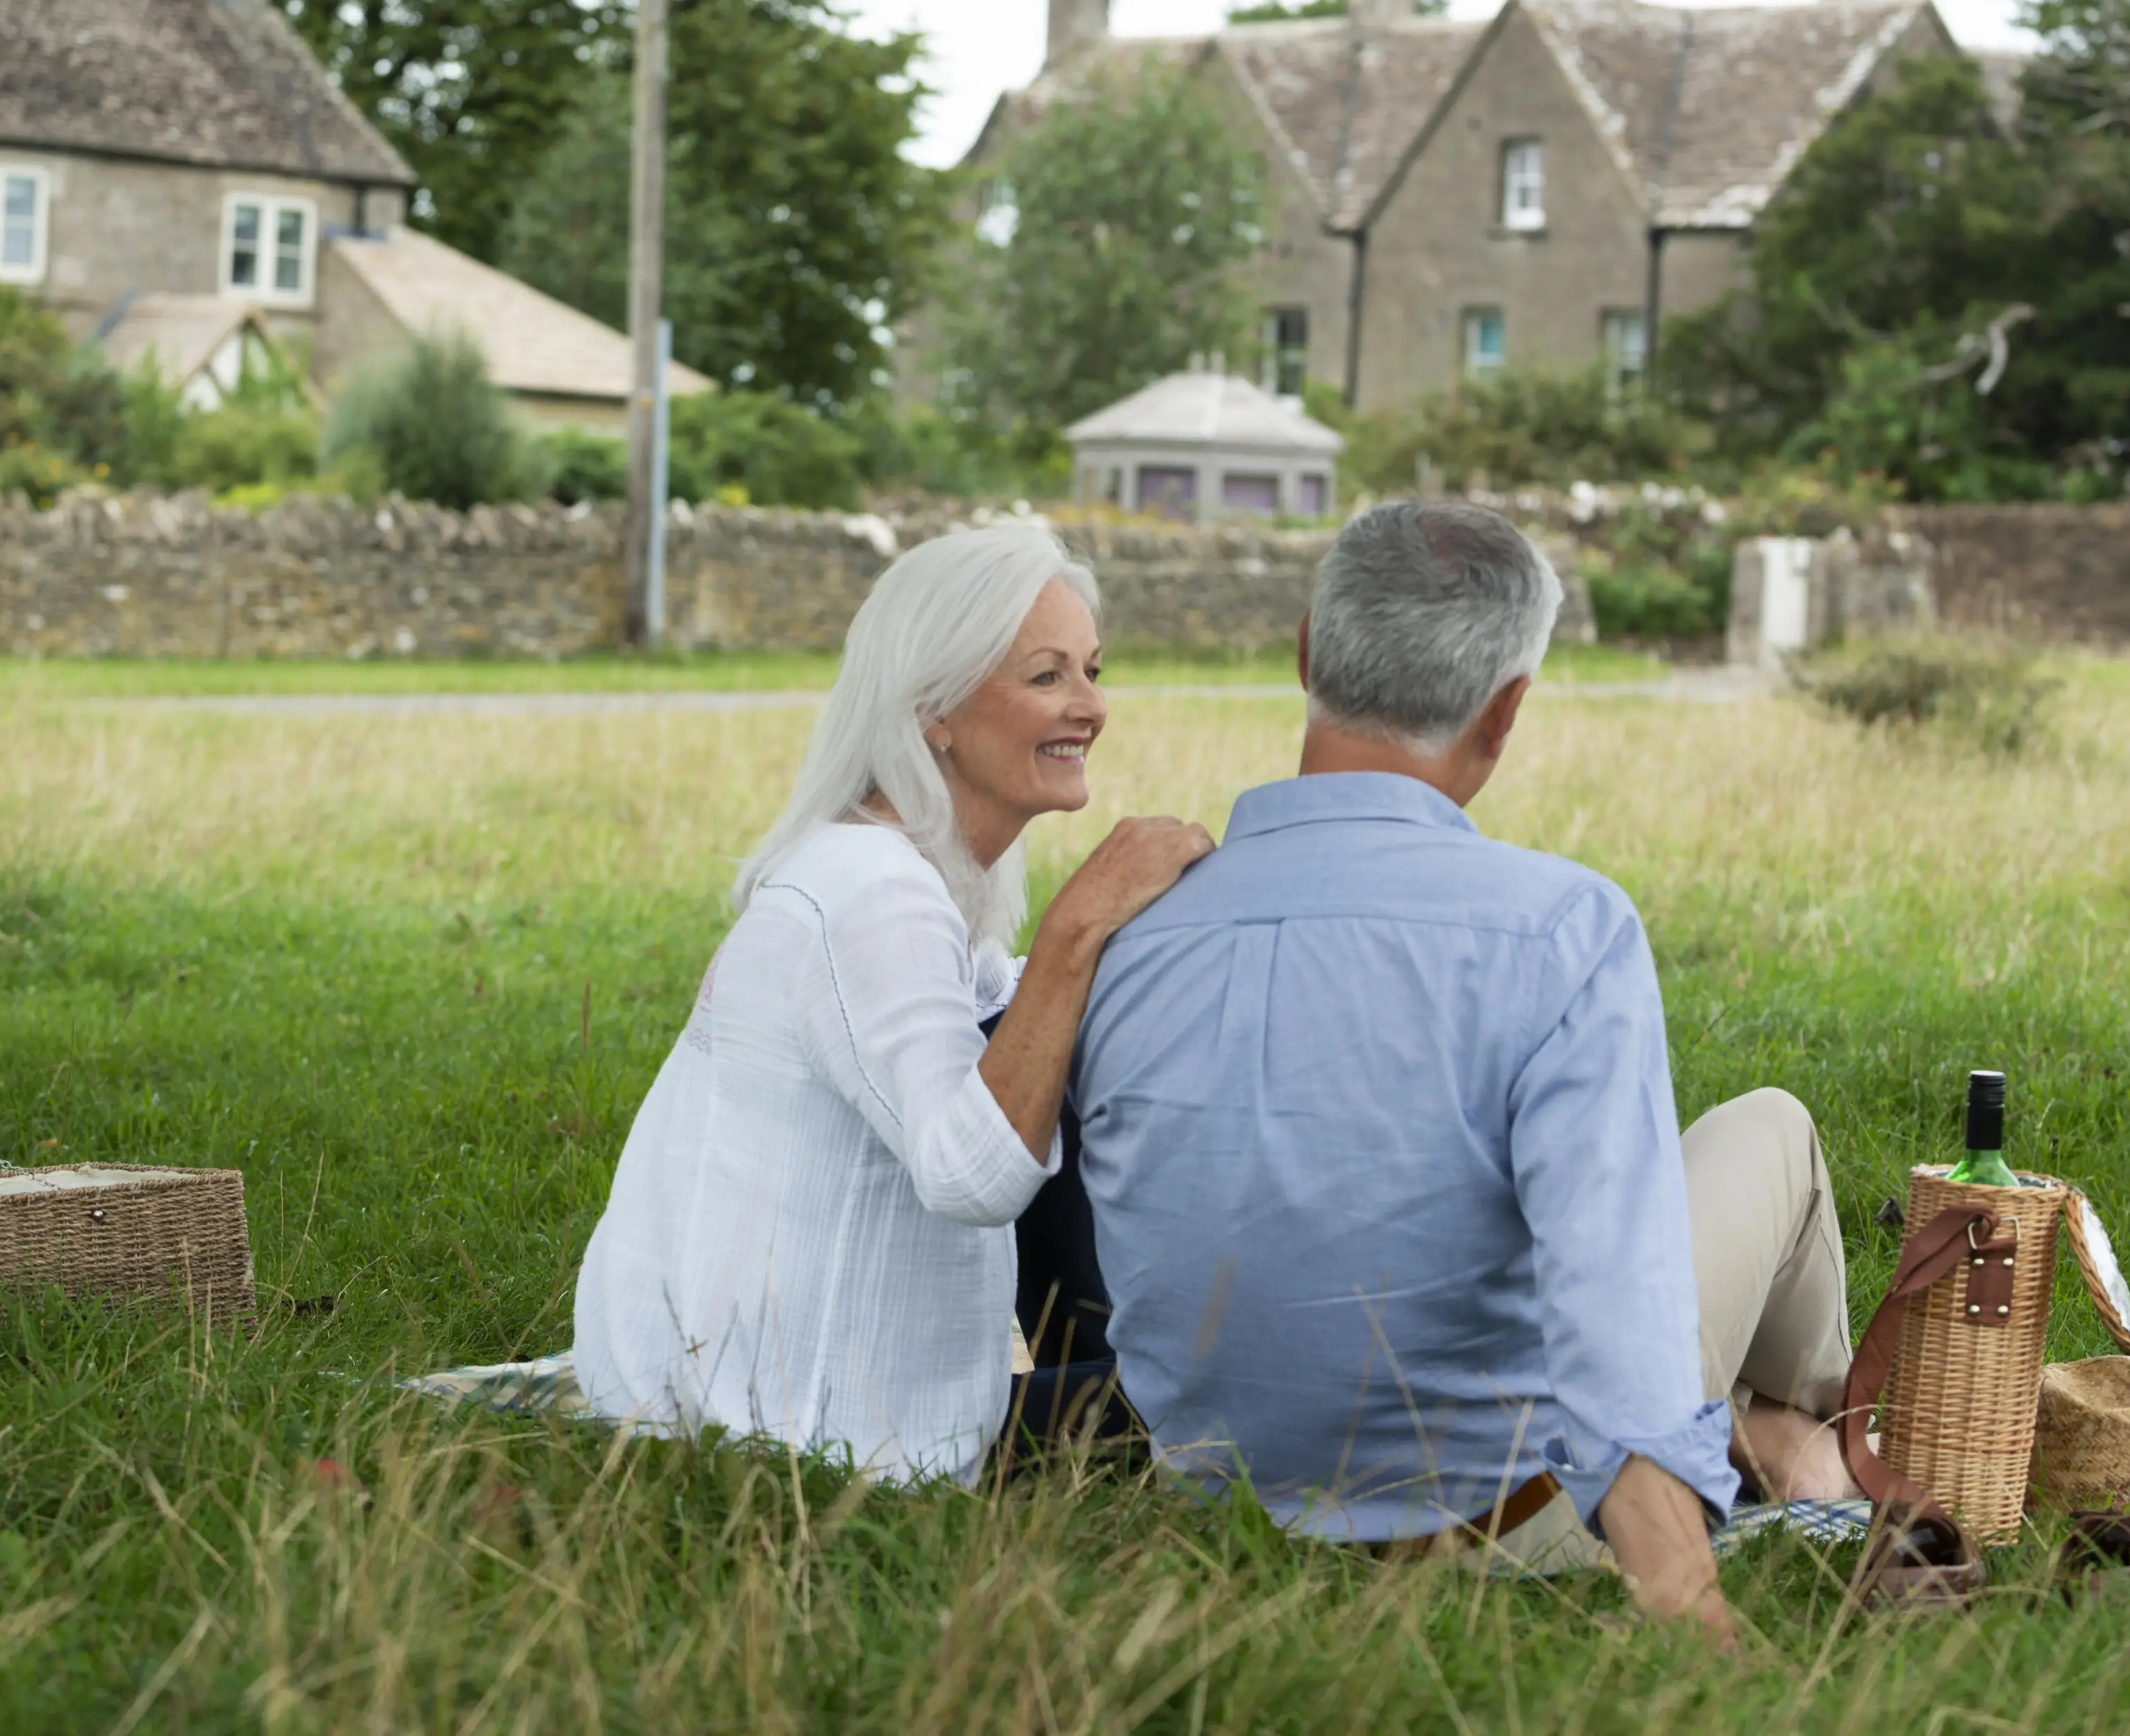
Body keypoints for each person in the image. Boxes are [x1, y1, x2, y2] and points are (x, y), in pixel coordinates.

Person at [1070, 501, 1860, 1645]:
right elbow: (1610, 1306)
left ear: (1307, 653)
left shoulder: (1135, 927)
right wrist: (1693, 1614)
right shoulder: (1563, 930)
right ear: (1507, 709)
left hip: (1222, 1511)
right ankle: (1809, 1437)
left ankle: (1775, 1431)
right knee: (1772, 1128)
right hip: (1508, 1524)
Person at [573, 525, 1211, 1483]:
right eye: (1047, 676)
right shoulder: (875, 889)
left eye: (1091, 669)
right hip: (810, 1443)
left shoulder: (887, 867)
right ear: (934, 708)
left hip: (765, 1407)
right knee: (1216, 1400)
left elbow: (1012, 1007)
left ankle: (1099, 1357)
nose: (1091, 705)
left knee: (1055, 1022)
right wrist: (1083, 921)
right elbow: (970, 1176)